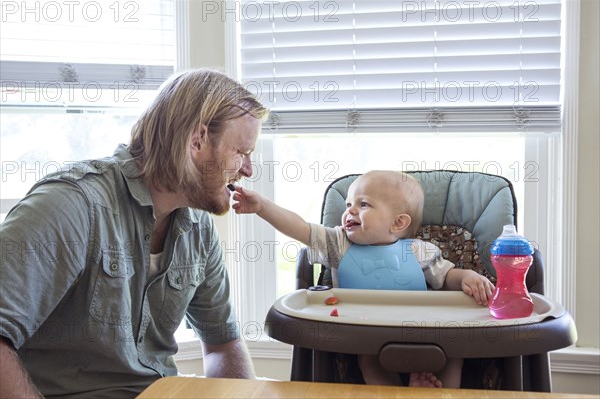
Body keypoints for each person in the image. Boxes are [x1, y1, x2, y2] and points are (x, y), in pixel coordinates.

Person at [0, 69, 269, 398]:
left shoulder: (198, 230)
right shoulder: (72, 206)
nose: (249, 169)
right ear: (197, 141)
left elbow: (222, 344)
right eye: (241, 152)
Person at [231, 170, 495, 388]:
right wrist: (262, 207)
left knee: (453, 354)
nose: (350, 211)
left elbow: (446, 276)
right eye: (348, 204)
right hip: (366, 334)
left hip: (421, 330)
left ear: (398, 222)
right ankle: (397, 394)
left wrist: (466, 277)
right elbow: (301, 229)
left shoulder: (417, 250)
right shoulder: (339, 244)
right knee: (368, 361)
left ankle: (439, 392)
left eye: (363, 204)